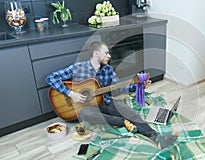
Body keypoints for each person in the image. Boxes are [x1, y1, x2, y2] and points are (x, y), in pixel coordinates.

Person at [46, 41, 177, 149]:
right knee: (86, 114)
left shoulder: (108, 69)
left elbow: (121, 88)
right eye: (106, 53)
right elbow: (51, 78)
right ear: (96, 54)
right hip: (84, 108)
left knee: (132, 113)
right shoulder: (78, 67)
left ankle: (157, 138)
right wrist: (71, 93)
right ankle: (122, 122)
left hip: (105, 101)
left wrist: (138, 86)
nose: (109, 55)